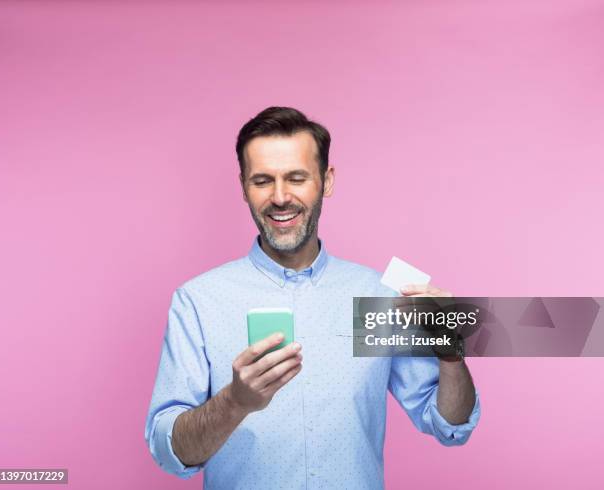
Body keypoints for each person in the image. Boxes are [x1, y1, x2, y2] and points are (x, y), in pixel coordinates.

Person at [144, 107, 481, 489]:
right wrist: (234, 402)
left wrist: (452, 356)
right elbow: (170, 451)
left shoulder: (377, 297)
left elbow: (450, 425)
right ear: (243, 187)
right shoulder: (197, 302)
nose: (280, 197)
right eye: (262, 181)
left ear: (327, 180)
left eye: (297, 178)